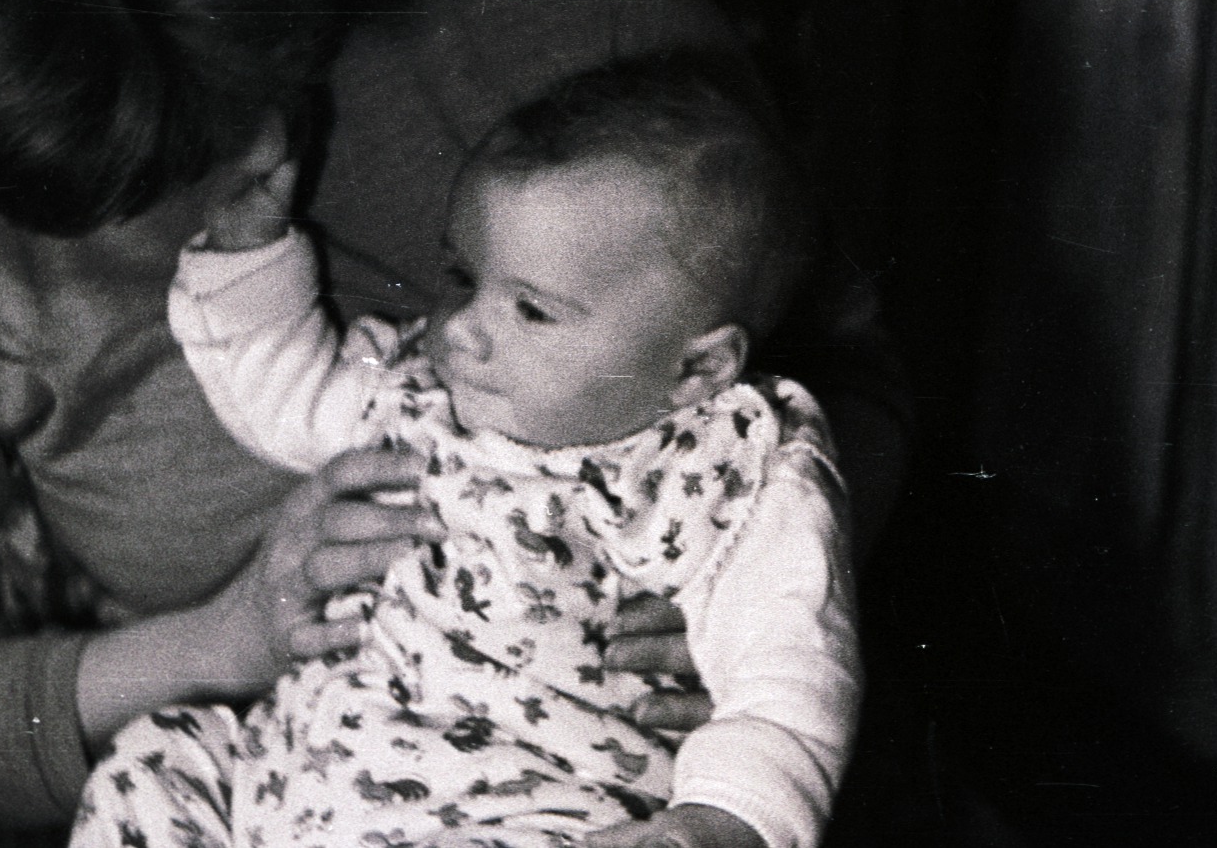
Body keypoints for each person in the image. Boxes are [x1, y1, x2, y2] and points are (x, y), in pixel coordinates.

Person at [0, 0, 907, 838]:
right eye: (163, 167)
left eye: (262, 75)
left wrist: (755, 640)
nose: (261, 152)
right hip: (280, 754)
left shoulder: (587, 36)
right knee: (159, 771)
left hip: (548, 779)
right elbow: (282, 384)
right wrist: (219, 641)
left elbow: (846, 388)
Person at [72, 59, 859, 848]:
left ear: (695, 368)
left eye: (531, 309)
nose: (461, 328)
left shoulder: (722, 468)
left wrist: (719, 822)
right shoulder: (421, 389)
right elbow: (283, 392)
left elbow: (790, 674)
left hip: (523, 809)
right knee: (159, 756)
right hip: (292, 781)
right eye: (459, 274)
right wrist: (247, 249)